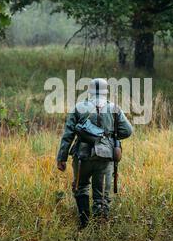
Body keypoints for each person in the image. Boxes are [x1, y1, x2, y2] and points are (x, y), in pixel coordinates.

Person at [56, 78, 133, 229]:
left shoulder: (78, 107)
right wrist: (111, 137)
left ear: (89, 91)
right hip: (105, 157)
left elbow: (68, 135)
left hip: (82, 157)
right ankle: (99, 229)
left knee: (81, 187)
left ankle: (84, 224)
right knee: (102, 195)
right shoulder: (114, 108)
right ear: (106, 92)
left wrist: (62, 158)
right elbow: (128, 131)